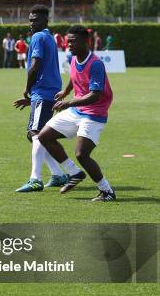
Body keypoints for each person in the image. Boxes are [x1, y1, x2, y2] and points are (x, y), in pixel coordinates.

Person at [39, 25, 115, 202]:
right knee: (43, 136)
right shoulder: (74, 58)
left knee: (82, 154)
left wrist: (68, 102)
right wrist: (66, 91)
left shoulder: (95, 64)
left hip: (94, 113)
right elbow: (74, 77)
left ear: (85, 41)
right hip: (76, 110)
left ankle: (107, 191)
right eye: (68, 42)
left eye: (73, 42)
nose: (69, 45)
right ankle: (74, 173)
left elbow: (95, 95)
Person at [12, 4, 67, 192]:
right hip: (48, 92)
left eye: (35, 20)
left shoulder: (37, 37)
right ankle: (58, 174)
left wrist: (27, 89)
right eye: (30, 20)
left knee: (35, 134)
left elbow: (35, 65)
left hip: (43, 92)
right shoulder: (49, 38)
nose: (31, 24)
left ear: (45, 20)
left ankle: (35, 179)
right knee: (39, 136)